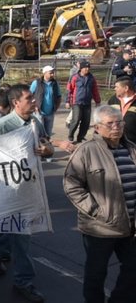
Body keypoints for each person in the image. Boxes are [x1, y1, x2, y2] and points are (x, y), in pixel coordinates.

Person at [0, 84, 74, 303]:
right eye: (29, 98)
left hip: (31, 186)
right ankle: (23, 281)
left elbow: (45, 145)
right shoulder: (3, 126)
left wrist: (48, 150)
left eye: (33, 98)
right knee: (23, 235)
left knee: (19, 231)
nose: (34, 102)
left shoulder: (35, 122)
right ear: (16, 103)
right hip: (10, 190)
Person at [63, 105, 136, 303]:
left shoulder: (131, 149)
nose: (116, 127)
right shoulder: (86, 151)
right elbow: (72, 186)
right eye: (110, 124)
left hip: (129, 227)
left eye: (119, 122)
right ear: (97, 127)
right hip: (100, 228)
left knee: (133, 269)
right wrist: (97, 211)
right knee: (96, 274)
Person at [66, 60, 101, 143]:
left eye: (88, 68)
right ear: (81, 68)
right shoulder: (75, 77)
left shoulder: (91, 78)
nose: (87, 69)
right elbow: (69, 90)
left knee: (86, 122)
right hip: (76, 102)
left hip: (87, 102)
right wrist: (67, 101)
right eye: (85, 68)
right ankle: (71, 134)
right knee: (76, 119)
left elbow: (94, 90)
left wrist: (97, 101)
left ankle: (80, 137)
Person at [30, 65, 62, 138]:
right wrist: (34, 106)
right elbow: (29, 95)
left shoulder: (55, 84)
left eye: (53, 73)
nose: (52, 74)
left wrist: (56, 108)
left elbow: (59, 96)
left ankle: (47, 147)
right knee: (39, 132)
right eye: (50, 73)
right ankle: (38, 146)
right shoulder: (36, 83)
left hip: (50, 112)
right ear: (44, 73)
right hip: (39, 112)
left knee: (48, 133)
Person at [108, 76, 136, 144]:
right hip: (113, 141)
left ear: (126, 88)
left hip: (132, 143)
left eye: (117, 87)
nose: (114, 89)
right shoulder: (113, 100)